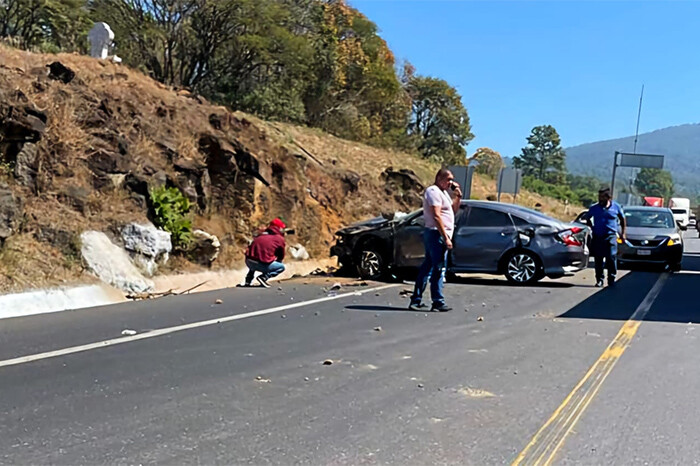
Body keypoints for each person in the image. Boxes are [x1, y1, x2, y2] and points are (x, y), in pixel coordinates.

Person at [409, 168, 462, 312]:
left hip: (439, 235)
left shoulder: (443, 193)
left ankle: (416, 299)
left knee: (428, 266)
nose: (450, 182)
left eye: (451, 179)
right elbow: (436, 215)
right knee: (439, 268)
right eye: (448, 179)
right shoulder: (433, 191)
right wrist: (445, 237)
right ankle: (437, 301)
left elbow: (452, 211)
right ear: (439, 178)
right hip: (435, 234)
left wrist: (458, 197)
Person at [583, 187, 626, 287]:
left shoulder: (616, 207)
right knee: (598, 259)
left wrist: (623, 233)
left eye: (602, 197)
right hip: (598, 236)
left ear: (608, 197)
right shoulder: (594, 208)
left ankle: (611, 279)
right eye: (599, 197)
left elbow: (623, 219)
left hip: (610, 236)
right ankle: (599, 279)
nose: (600, 199)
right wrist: (591, 227)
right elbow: (587, 217)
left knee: (611, 257)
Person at [244, 218, 287, 288]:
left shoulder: (261, 234)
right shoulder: (279, 239)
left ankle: (248, 280)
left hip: (249, 262)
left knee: (255, 256)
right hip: (261, 264)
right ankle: (263, 277)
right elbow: (281, 255)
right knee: (280, 267)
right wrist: (278, 261)